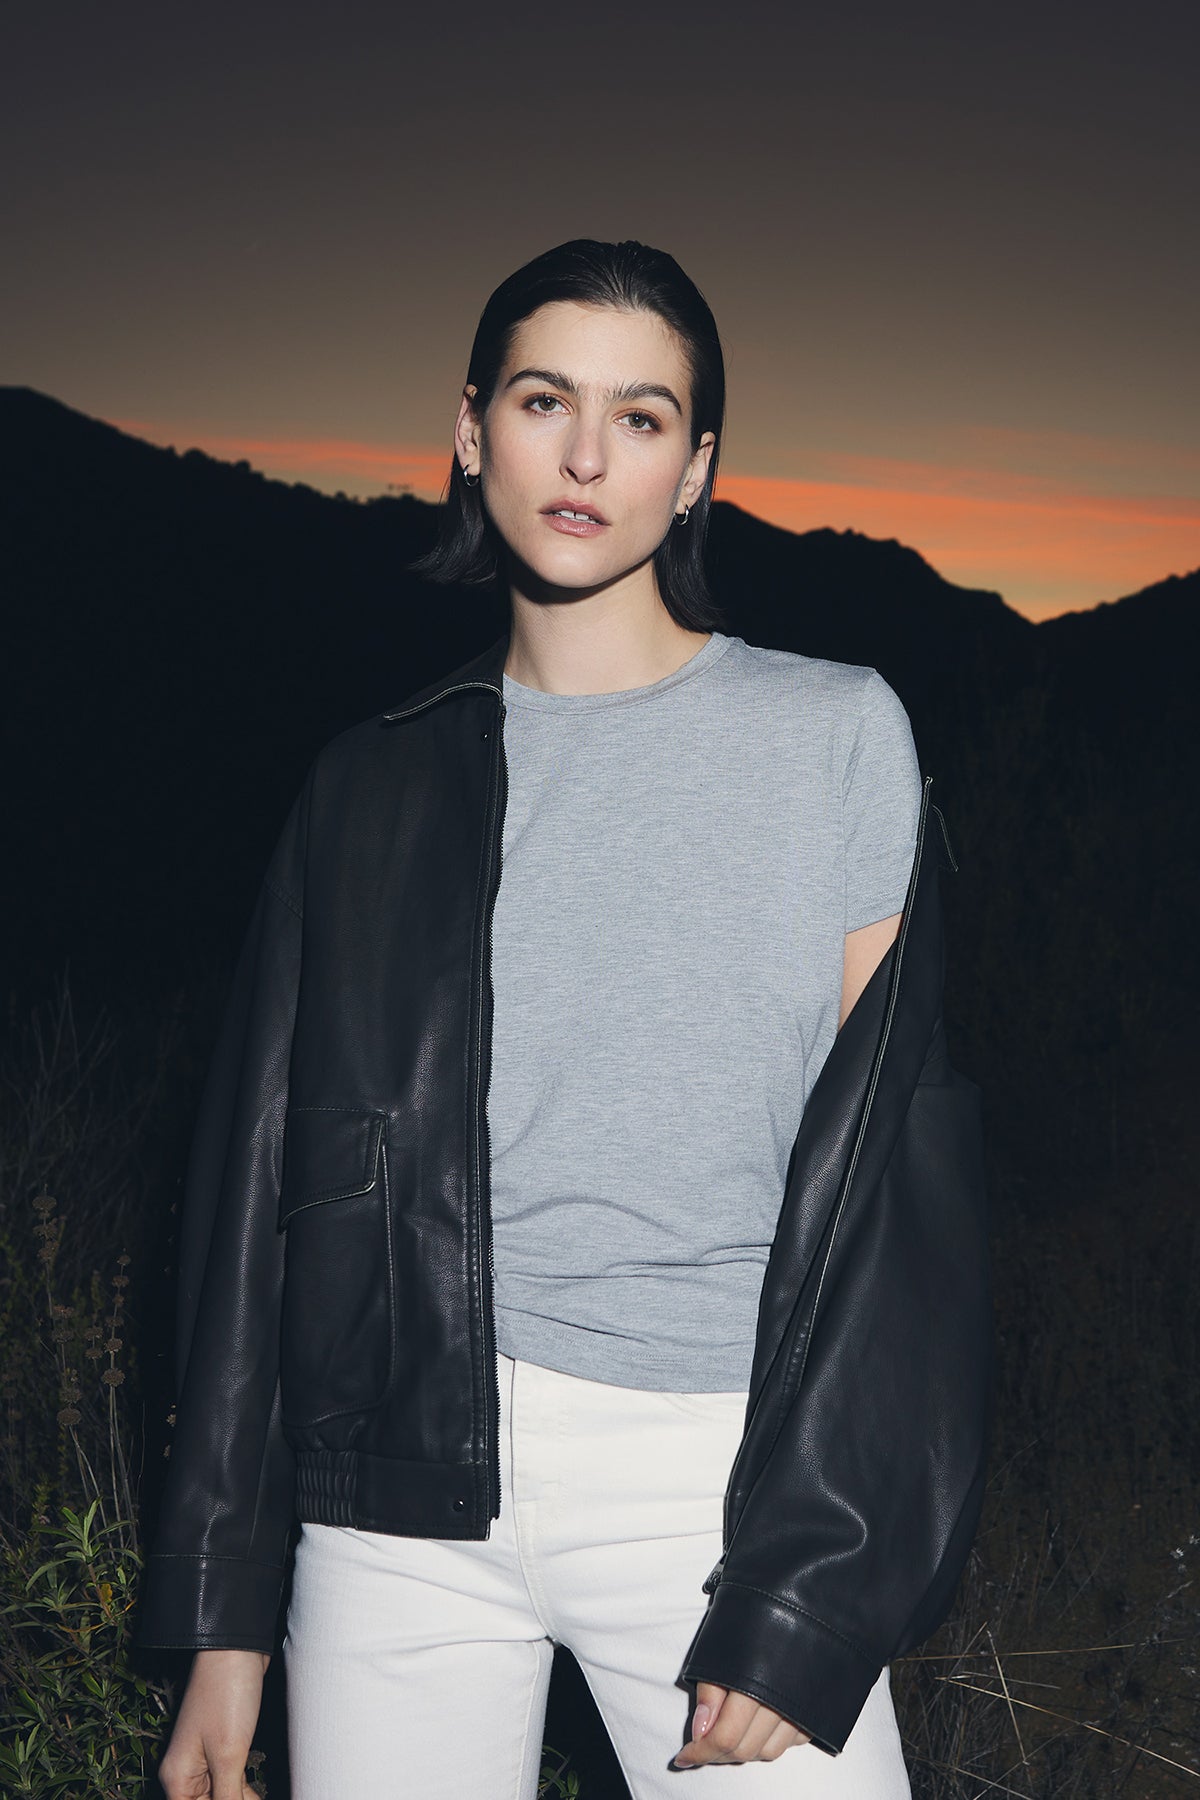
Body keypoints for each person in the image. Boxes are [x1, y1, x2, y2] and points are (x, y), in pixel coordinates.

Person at [136, 239, 992, 1798]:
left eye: (644, 416)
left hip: (714, 1483)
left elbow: (900, 1212)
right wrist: (226, 1622)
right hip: (393, 1499)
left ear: (698, 466)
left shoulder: (834, 733)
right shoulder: (370, 786)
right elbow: (257, 1214)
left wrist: (818, 1584)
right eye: (545, 401)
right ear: (473, 433)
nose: (588, 455)